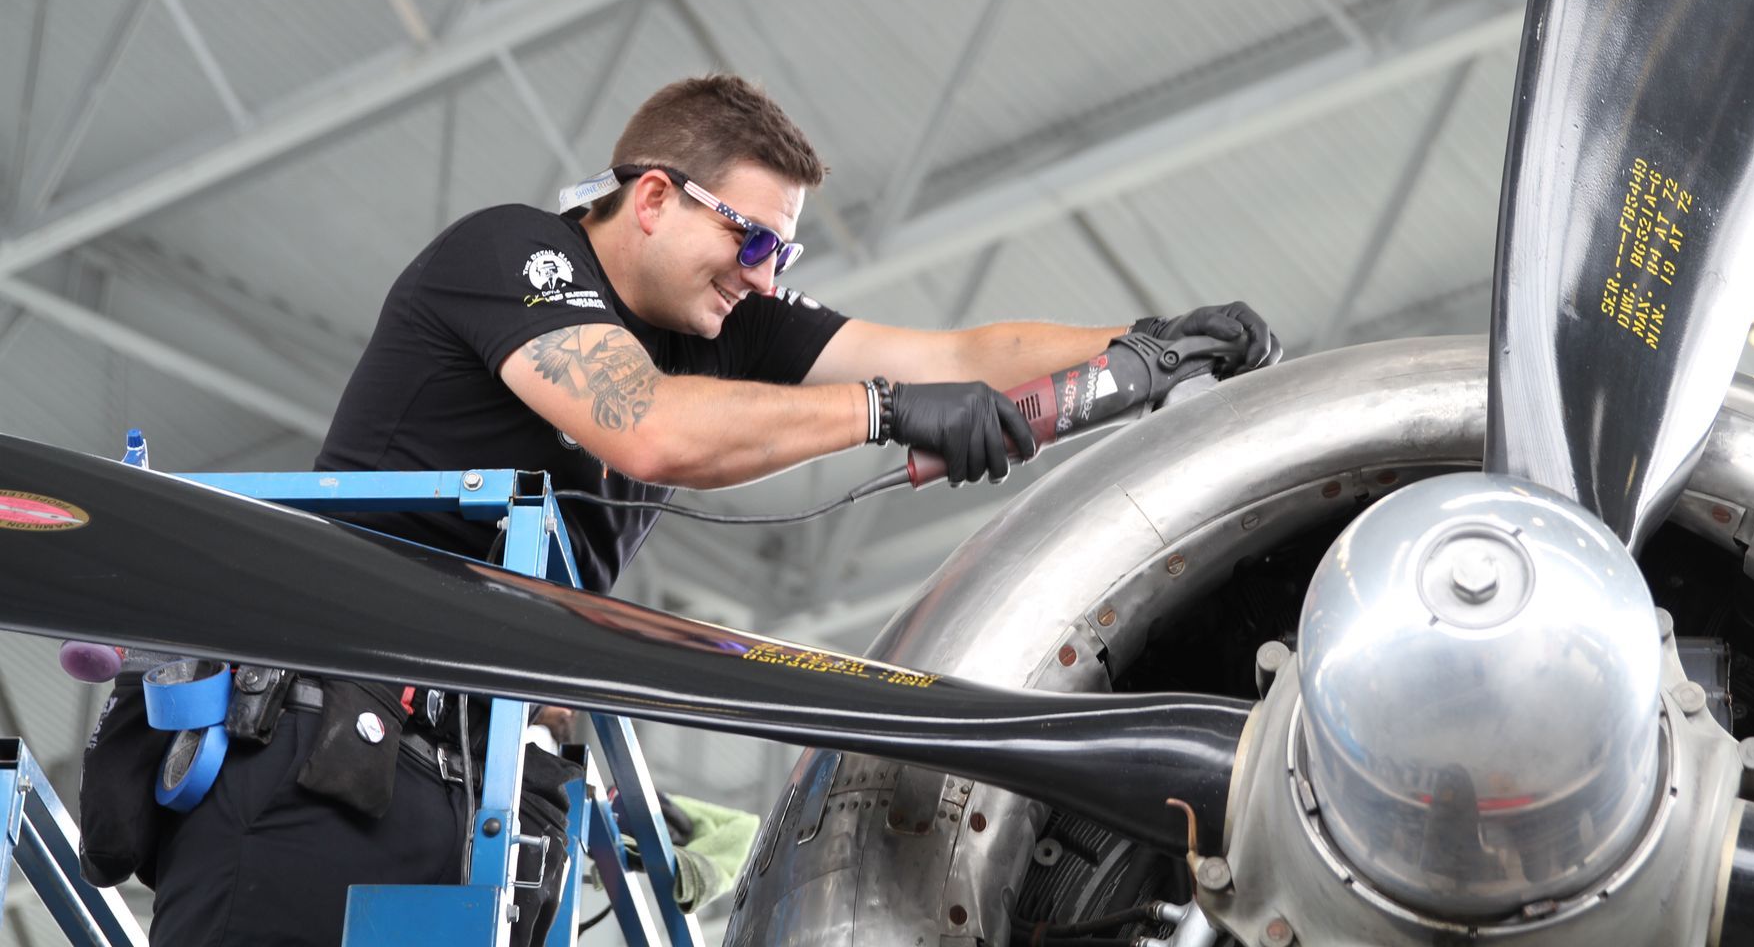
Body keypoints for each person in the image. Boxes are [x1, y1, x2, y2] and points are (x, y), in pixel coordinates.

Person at [84, 73, 1273, 946]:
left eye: (781, 254)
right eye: (748, 235)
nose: (763, 274)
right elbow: (647, 425)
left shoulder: (729, 317)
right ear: (653, 196)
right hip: (320, 764)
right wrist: (887, 411)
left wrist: (1143, 349)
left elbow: (958, 346)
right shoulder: (514, 256)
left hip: (487, 794)